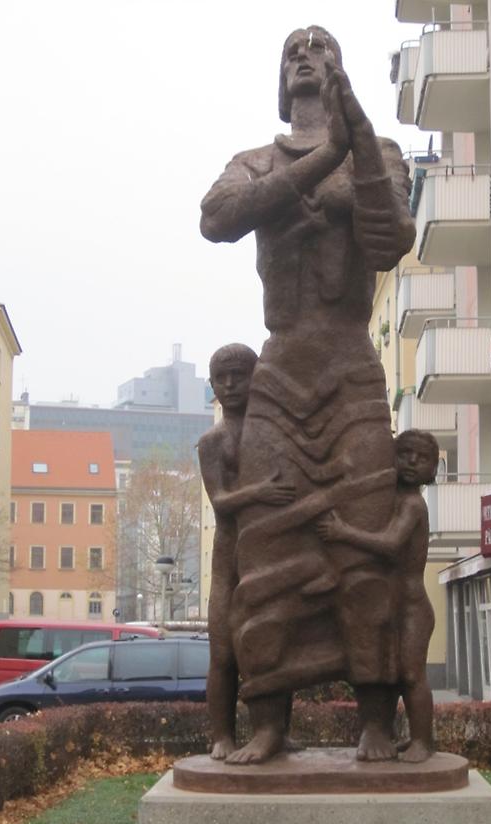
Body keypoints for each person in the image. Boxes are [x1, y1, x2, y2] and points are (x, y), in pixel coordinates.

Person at [200, 26, 415, 764]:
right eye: (293, 48)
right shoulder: (254, 160)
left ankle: (377, 723)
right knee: (268, 553)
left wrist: (352, 141)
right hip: (282, 372)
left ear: (339, 71)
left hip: (350, 369)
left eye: (321, 48)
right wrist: (326, 155)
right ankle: (268, 724)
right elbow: (217, 219)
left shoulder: (376, 151)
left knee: (364, 558)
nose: (305, 55)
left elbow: (390, 241)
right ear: (279, 73)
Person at [315, 429, 439, 762]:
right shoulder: (386, 501)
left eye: (422, 457)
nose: (412, 462)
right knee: (391, 672)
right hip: (390, 604)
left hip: (413, 607)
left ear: (433, 470)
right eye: (405, 454)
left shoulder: (413, 505)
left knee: (411, 675)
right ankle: (402, 736)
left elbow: (391, 545)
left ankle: (423, 742)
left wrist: (343, 533)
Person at [197, 344, 295, 759]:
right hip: (229, 555)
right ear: (213, 385)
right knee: (223, 650)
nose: (232, 384)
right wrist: (264, 492)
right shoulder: (213, 440)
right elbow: (220, 501)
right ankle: (222, 735)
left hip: (271, 552)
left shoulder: (275, 434)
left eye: (240, 375)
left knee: (275, 643)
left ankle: (276, 731)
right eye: (223, 378)